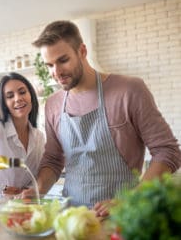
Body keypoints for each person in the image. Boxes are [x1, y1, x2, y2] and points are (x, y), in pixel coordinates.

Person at [23, 20, 181, 217]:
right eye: (49, 65)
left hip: (124, 217)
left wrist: (130, 200)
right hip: (72, 219)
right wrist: (37, 191)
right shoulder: (53, 104)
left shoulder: (129, 90)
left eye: (63, 60)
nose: (56, 73)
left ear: (82, 51)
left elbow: (168, 152)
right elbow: (54, 159)